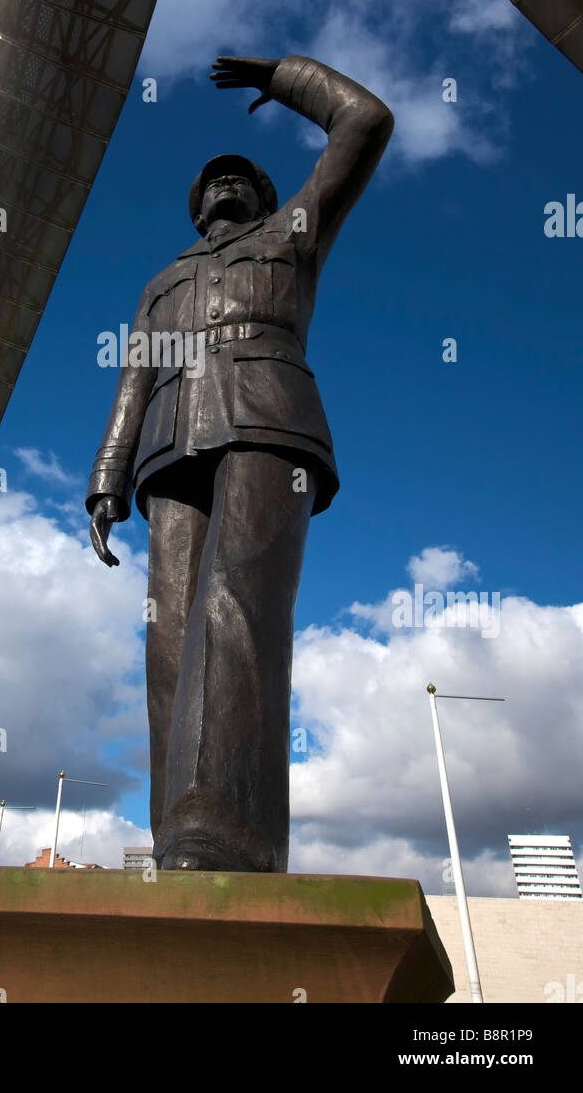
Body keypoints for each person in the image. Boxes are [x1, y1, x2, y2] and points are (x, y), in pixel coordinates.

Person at [87, 53, 394, 871]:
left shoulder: (295, 233)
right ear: (195, 209)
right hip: (168, 441)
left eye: (240, 175)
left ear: (265, 195)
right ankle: (175, 833)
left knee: (236, 603)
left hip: (267, 423)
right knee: (169, 641)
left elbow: (365, 123)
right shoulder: (163, 281)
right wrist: (107, 475)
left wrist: (287, 78)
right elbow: (133, 376)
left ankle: (218, 826)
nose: (224, 182)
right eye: (211, 179)